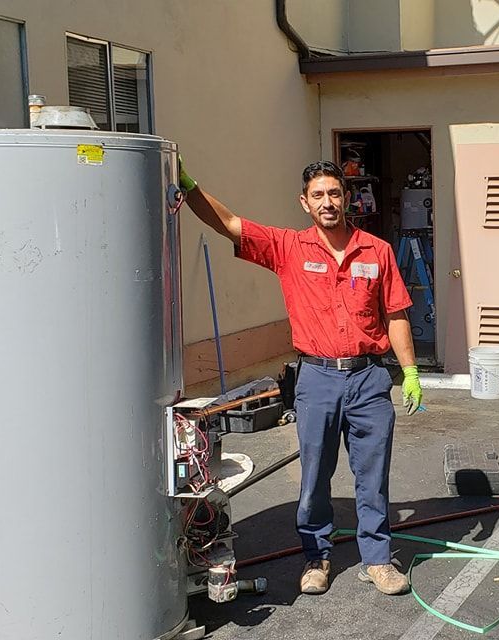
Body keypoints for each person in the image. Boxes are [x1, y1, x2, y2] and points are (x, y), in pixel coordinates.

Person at [180, 158, 422, 596]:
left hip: (368, 378)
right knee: (315, 476)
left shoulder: (377, 250)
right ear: (305, 203)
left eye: (334, 193)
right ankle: (317, 557)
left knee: (373, 475)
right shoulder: (289, 247)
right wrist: (188, 185)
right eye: (318, 195)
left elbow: (396, 314)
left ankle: (378, 560)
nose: (328, 202)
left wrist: (409, 371)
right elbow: (230, 223)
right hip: (316, 377)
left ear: (346, 199)